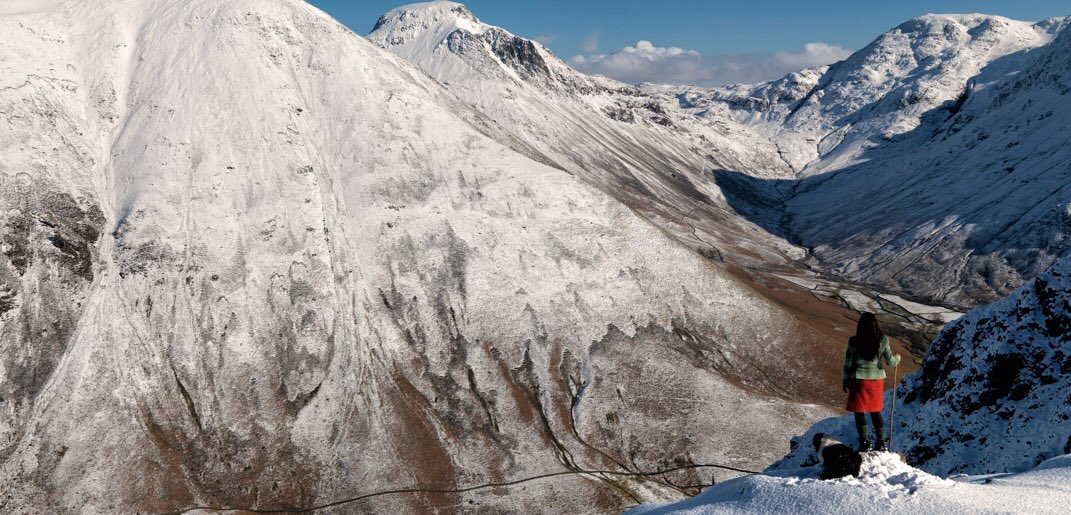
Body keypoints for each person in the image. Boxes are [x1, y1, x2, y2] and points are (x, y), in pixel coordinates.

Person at [842, 312, 900, 452]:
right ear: (875, 325)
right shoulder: (883, 340)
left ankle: (864, 442)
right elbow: (890, 361)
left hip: (859, 380)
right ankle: (881, 442)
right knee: (875, 412)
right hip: (876, 381)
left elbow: (848, 364)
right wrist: (897, 358)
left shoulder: (854, 341)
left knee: (859, 412)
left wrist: (845, 380)